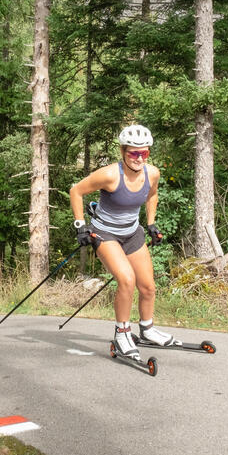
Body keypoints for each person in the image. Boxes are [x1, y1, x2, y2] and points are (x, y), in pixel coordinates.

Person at [68, 125, 179, 360]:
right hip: (105, 234)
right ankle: (122, 333)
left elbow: (152, 194)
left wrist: (151, 224)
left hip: (132, 233)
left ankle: (147, 330)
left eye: (144, 153)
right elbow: (76, 191)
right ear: (123, 152)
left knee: (148, 286)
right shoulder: (109, 175)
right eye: (133, 153)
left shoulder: (153, 173)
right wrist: (80, 226)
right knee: (127, 280)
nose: (139, 158)